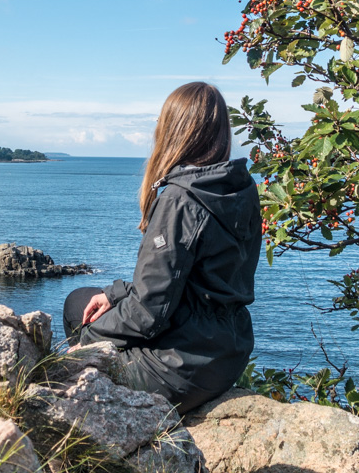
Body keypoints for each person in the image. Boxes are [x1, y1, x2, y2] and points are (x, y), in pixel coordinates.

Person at [62, 81, 261, 414]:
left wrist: (86, 344)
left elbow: (147, 313)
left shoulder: (180, 201)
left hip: (179, 368)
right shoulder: (239, 190)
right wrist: (114, 294)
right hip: (228, 352)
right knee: (83, 300)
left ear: (174, 131)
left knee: (78, 317)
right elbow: (191, 283)